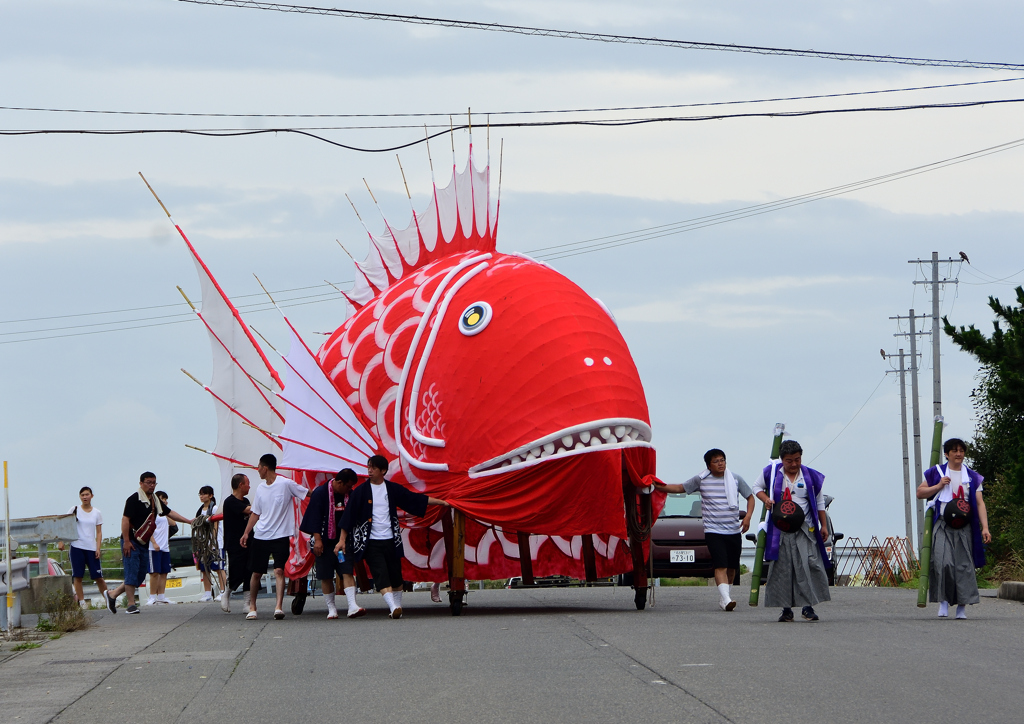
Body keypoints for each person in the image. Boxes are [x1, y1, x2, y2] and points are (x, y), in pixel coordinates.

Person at [337, 455, 449, 619]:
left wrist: (441, 502)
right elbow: (348, 517)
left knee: (396, 576)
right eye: (368, 467)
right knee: (380, 573)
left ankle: (397, 606)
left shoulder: (392, 489)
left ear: (383, 471)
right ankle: (392, 606)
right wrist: (341, 540)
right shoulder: (361, 491)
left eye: (373, 468)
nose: (369, 470)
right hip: (371, 541)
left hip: (391, 540)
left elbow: (413, 499)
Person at [652, 449, 754, 611]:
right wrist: (658, 486)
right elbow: (680, 488)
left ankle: (724, 597)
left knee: (732, 567)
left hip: (733, 530)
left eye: (722, 460)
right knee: (720, 565)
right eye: (716, 461)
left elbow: (750, 497)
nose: (721, 463)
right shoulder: (702, 479)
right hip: (713, 530)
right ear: (708, 465)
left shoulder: (735, 479)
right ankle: (727, 599)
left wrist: (747, 517)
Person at [753, 440, 831, 622]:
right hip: (781, 529)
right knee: (783, 569)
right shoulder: (771, 472)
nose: (794, 464)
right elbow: (756, 487)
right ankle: (786, 609)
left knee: (807, 566)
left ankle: (808, 607)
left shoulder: (811, 476)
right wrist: (765, 499)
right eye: (789, 461)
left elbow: (819, 502)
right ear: (782, 459)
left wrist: (824, 525)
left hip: (805, 528)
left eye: (797, 459)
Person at [917, 438, 991, 619]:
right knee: (944, 563)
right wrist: (939, 485)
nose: (959, 454)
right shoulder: (937, 472)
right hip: (943, 524)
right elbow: (920, 493)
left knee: (964, 566)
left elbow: (980, 503)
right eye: (955, 451)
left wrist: (985, 528)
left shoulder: (972, 476)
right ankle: (943, 602)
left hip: (964, 526)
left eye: (961, 451)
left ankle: (961, 608)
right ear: (947, 454)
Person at [106, 472, 190, 614]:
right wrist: (126, 541)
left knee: (140, 574)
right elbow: (125, 520)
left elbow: (169, 512)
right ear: (141, 483)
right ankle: (131, 604)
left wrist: (188, 521)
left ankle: (112, 594)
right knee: (131, 571)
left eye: (154, 483)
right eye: (148, 482)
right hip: (131, 540)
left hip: (144, 542)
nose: (151, 485)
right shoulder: (134, 499)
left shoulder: (155, 500)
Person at [240, 453, 309, 621]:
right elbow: (256, 513)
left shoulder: (285, 483)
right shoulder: (261, 489)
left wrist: (326, 493)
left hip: (281, 535)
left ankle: (278, 607)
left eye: (258, 467)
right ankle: (253, 607)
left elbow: (306, 493)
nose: (257, 471)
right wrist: (247, 532)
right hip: (262, 535)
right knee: (256, 572)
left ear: (265, 468)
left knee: (279, 570)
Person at [299, 468, 366, 619]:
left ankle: (352, 606)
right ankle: (331, 609)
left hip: (343, 541)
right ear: (339, 482)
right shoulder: (320, 493)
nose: (350, 489)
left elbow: (351, 518)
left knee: (347, 571)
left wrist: (343, 540)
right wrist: (317, 540)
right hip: (323, 541)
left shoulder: (350, 495)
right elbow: (314, 518)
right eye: (348, 486)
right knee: (325, 575)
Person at [58, 486, 109, 605]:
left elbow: (99, 532)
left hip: (91, 547)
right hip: (77, 546)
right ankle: (81, 602)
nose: (85, 497)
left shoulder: (97, 513)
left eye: (87, 494)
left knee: (98, 577)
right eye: (82, 495)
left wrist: (98, 548)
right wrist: (61, 541)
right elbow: (64, 524)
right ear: (80, 497)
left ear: (92, 496)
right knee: (78, 576)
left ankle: (108, 599)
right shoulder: (74, 509)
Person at [220, 472, 252, 613]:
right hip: (234, 542)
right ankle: (228, 591)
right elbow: (247, 511)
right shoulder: (230, 501)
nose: (249, 486)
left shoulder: (246, 501)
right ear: (241, 485)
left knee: (249, 572)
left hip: (249, 540)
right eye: (248, 483)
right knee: (236, 571)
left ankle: (247, 603)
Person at [195, 485, 227, 603]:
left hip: (216, 544)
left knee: (219, 568)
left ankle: (223, 592)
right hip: (203, 544)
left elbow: (216, 525)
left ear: (211, 495)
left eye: (204, 494)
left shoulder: (214, 509)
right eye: (200, 494)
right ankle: (207, 593)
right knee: (205, 569)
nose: (202, 496)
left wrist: (212, 540)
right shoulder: (200, 510)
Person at [146, 491, 174, 605]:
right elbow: (148, 528)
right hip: (154, 547)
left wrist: (166, 510)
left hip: (165, 547)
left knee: (164, 572)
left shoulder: (163, 513)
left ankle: (161, 596)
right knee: (154, 573)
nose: (165, 501)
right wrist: (154, 542)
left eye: (166, 499)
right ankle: (152, 597)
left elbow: (173, 524)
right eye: (163, 499)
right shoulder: (152, 512)